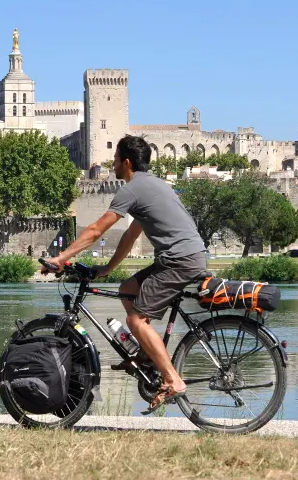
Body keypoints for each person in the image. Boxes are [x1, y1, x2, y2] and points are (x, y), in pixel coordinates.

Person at [43, 135, 208, 414]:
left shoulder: (131, 190)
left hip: (179, 260)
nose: (113, 163)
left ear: (127, 162)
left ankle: (173, 380)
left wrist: (60, 258)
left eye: (116, 159)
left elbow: (96, 230)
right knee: (127, 289)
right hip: (185, 256)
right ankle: (146, 354)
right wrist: (107, 269)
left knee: (135, 319)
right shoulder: (154, 185)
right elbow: (131, 236)